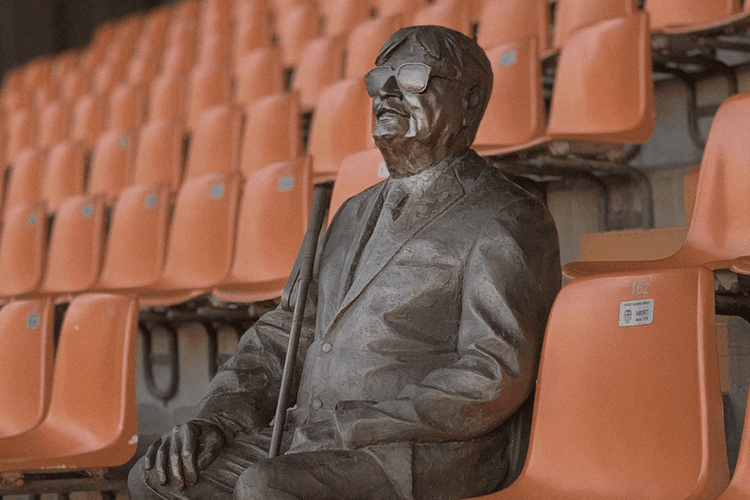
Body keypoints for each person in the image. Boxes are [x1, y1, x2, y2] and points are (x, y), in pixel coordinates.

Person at [128, 25, 561, 500]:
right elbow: (286, 331)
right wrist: (215, 419)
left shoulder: (507, 217)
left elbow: (494, 372)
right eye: (379, 79)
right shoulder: (352, 210)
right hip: (311, 438)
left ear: (471, 102)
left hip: (417, 449)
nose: (386, 93)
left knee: (266, 488)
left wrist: (356, 423)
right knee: (158, 479)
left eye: (412, 77)